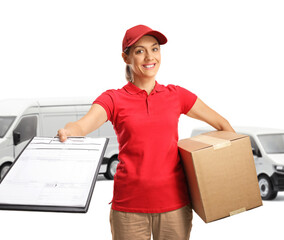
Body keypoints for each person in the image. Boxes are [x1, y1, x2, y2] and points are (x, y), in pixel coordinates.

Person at [58, 24, 235, 240]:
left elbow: (222, 124)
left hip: (175, 206)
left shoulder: (177, 95)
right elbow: (83, 125)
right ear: (126, 58)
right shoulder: (114, 99)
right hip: (129, 208)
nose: (150, 57)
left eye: (155, 48)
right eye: (140, 51)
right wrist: (67, 131)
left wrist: (232, 167)